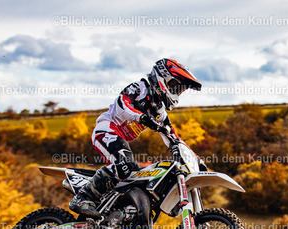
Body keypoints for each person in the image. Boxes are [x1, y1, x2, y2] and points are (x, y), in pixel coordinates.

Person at [69, 58, 202, 218]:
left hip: (119, 138)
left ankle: (117, 212)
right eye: (175, 86)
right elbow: (122, 104)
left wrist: (196, 159)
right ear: (162, 78)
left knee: (138, 177)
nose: (177, 92)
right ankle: (83, 198)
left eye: (180, 90)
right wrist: (142, 117)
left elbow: (173, 138)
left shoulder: (159, 111)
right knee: (125, 164)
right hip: (106, 130)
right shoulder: (140, 88)